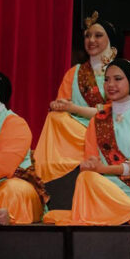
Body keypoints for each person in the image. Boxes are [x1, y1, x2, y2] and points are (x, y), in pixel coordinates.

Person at [44, 60, 130, 226]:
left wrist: (104, 169)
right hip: (100, 189)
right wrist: (90, 166)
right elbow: (90, 161)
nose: (110, 84)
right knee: (85, 177)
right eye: (106, 80)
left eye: (118, 79)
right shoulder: (97, 119)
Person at [33, 13, 122, 182]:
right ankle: (47, 173)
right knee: (55, 118)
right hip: (77, 128)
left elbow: (115, 112)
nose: (91, 40)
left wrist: (73, 108)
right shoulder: (75, 72)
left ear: (110, 39)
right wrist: (57, 105)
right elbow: (63, 102)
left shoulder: (120, 72)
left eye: (98, 35)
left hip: (109, 126)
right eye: (88, 36)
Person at [0, 71, 49, 225]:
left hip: (11, 185)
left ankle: (1, 215)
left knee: (13, 190)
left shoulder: (15, 123)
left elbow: (2, 166)